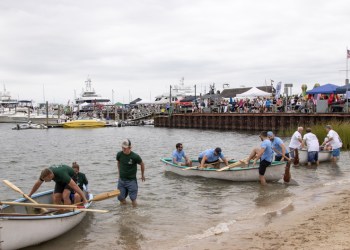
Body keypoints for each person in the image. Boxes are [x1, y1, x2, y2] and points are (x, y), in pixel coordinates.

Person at [116, 139, 145, 207]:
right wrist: (119, 173)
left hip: (131, 180)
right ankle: (125, 213)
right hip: (122, 180)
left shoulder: (135, 156)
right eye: (122, 147)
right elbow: (118, 162)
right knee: (120, 198)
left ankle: (134, 214)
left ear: (130, 147)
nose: (123, 149)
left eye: (125, 148)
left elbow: (142, 164)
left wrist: (142, 175)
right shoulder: (119, 154)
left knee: (133, 199)